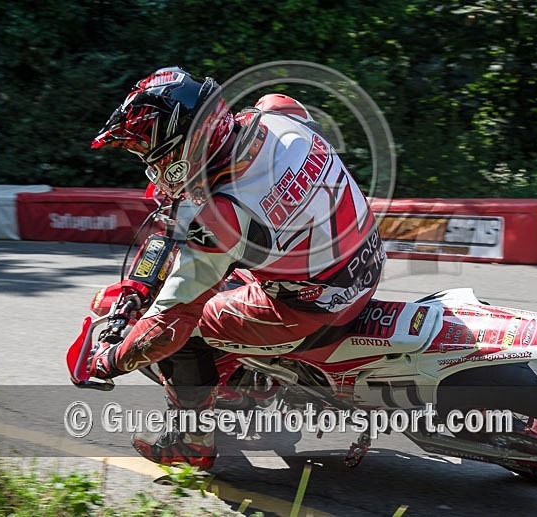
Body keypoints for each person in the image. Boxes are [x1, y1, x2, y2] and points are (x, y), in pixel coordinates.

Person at [87, 66, 385, 469]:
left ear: (184, 143)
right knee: (231, 274)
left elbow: (167, 324)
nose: (149, 163)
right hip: (363, 256)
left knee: (185, 330)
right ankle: (257, 380)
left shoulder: (223, 216)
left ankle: (193, 442)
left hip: (315, 305)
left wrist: (110, 359)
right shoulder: (277, 112)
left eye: (151, 153)